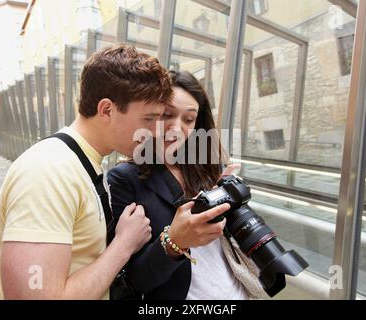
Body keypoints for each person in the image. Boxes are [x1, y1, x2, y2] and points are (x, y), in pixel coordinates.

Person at [0, 45, 173, 299]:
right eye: (148, 119)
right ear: (107, 110)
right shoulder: (49, 171)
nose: (155, 131)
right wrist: (123, 245)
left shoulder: (83, 161)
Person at [108, 70, 264, 300]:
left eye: (188, 119)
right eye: (167, 115)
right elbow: (134, 279)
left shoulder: (206, 168)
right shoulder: (125, 178)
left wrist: (230, 200)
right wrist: (173, 242)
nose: (177, 127)